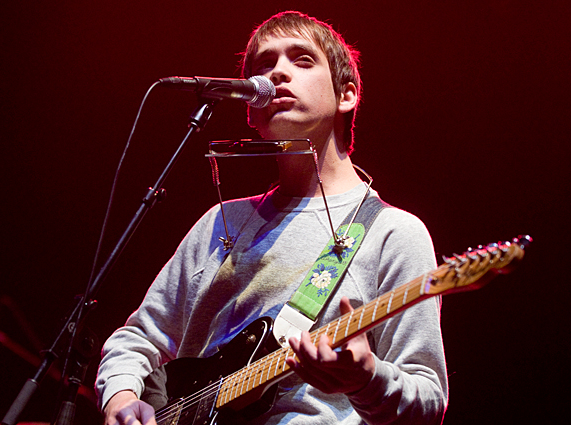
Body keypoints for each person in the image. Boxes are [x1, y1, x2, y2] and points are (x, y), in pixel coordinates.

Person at [96, 10, 448, 425]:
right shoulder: (220, 222)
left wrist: (367, 381)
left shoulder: (393, 233)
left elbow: (428, 399)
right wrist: (120, 398)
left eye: (302, 60)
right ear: (251, 109)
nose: (278, 72)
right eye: (265, 65)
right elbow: (138, 338)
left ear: (347, 95)